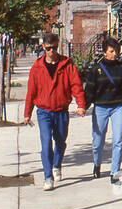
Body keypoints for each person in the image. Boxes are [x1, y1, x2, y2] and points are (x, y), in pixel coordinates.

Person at [23, 32, 86, 190]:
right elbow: (31, 91)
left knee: (60, 142)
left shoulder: (67, 64)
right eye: (49, 48)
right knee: (45, 144)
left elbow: (76, 85)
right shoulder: (37, 68)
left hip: (61, 111)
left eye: (55, 48)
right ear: (43, 47)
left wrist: (81, 104)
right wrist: (27, 113)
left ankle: (57, 165)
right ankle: (48, 177)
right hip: (43, 111)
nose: (52, 51)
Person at [84, 36, 122, 186]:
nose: (114, 54)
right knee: (98, 141)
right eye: (111, 51)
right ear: (104, 52)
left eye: (116, 51)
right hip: (100, 107)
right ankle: (97, 164)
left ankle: (115, 171)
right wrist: (84, 106)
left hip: (118, 107)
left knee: (118, 139)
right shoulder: (96, 70)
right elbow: (89, 90)